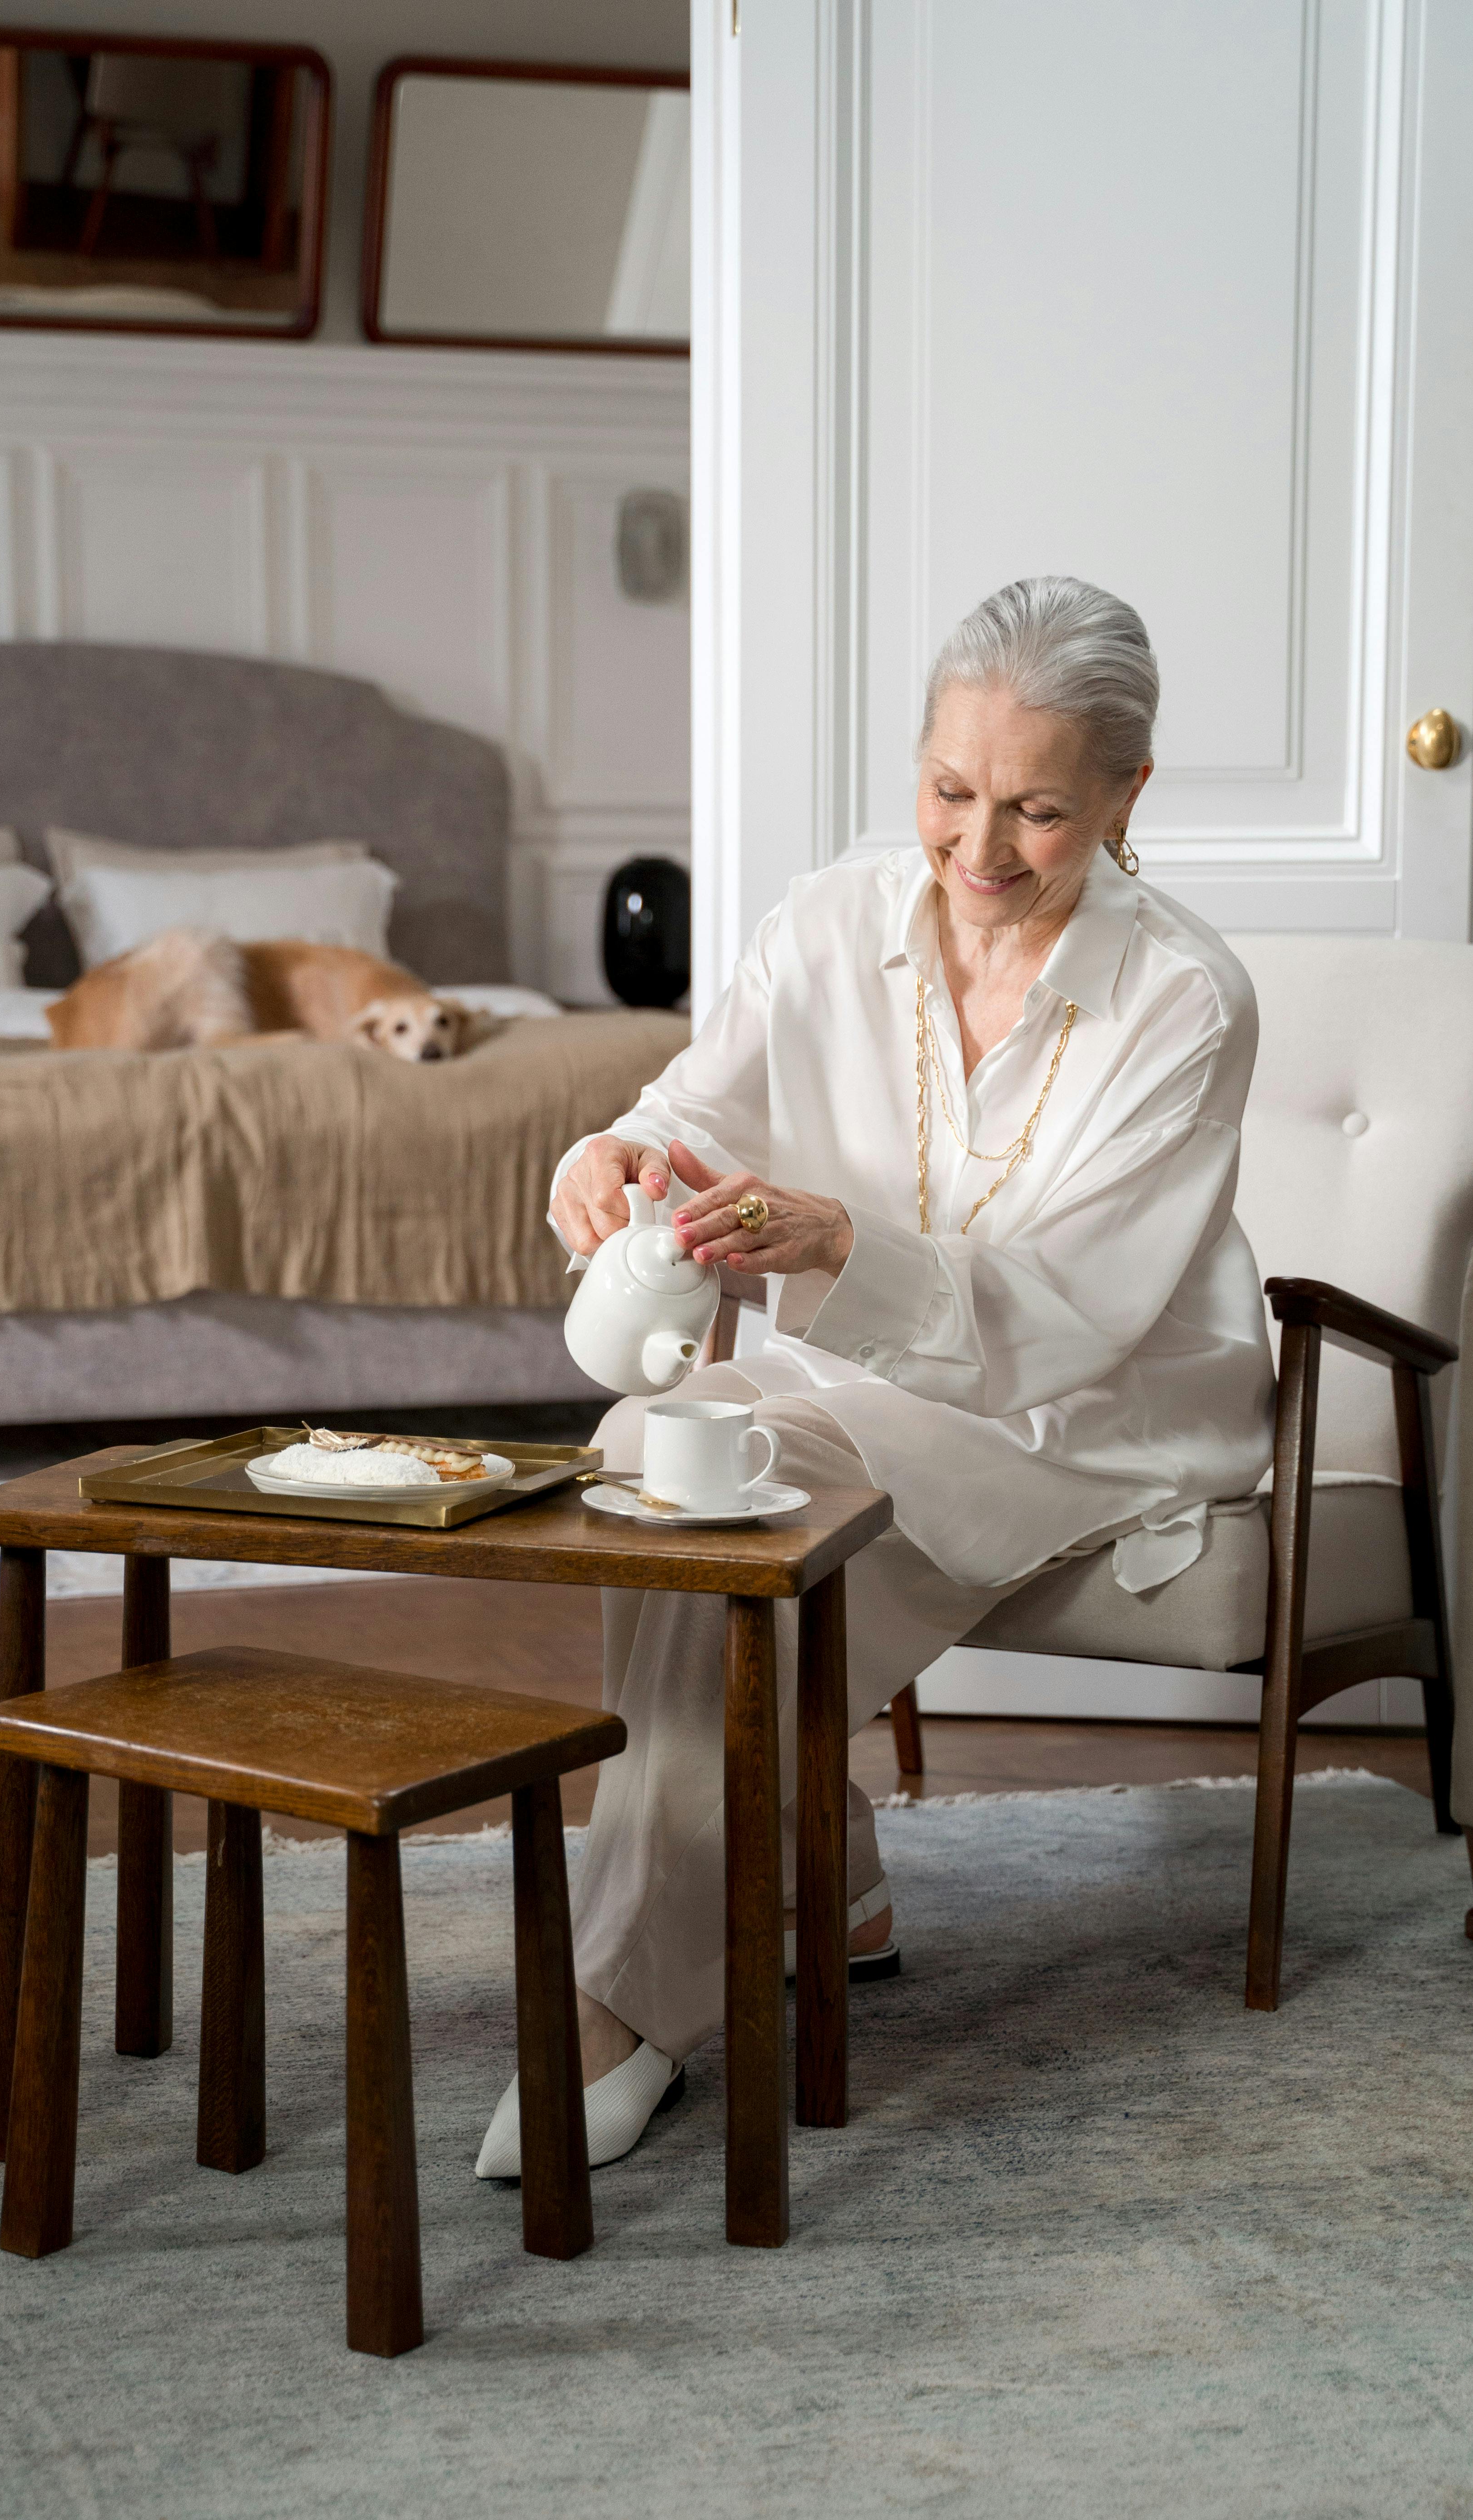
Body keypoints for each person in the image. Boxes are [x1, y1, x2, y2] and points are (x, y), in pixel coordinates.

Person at [476, 576, 1275, 2178]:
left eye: (1038, 810)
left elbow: (1065, 1319)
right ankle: (819, 1871)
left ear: (1127, 793)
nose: (979, 847)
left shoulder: (1185, 1001)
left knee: (715, 1479)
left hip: (1089, 1421)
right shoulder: (827, 922)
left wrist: (835, 1245)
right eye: (949, 791)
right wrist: (618, 1157)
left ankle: (620, 2008)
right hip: (859, 1395)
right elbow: (690, 1111)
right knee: (662, 1439)